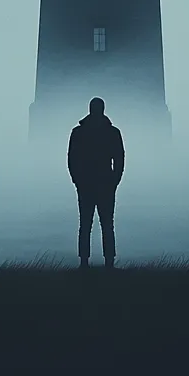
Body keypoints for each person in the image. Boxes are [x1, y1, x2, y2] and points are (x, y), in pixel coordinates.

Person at [67, 97, 125, 269]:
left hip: (90, 184)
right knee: (105, 225)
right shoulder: (112, 132)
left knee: (87, 225)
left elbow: (72, 160)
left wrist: (77, 180)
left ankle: (85, 263)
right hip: (102, 184)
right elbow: (119, 159)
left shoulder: (78, 133)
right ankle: (108, 263)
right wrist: (114, 181)